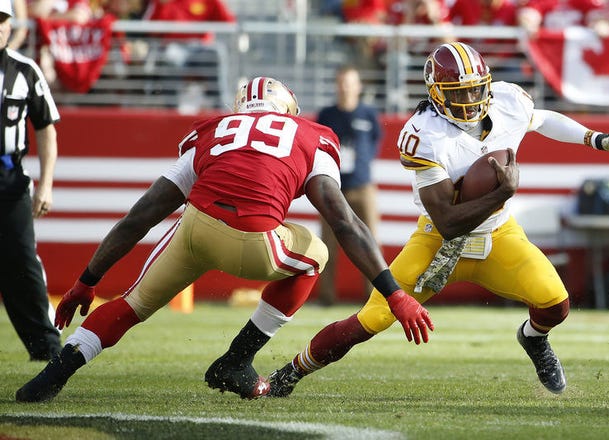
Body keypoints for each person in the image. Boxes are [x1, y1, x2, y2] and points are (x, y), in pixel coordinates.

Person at [15, 76, 434, 403]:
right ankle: (237, 360)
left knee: (131, 304)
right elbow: (345, 222)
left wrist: (86, 280)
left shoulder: (213, 132)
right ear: (288, 109)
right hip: (255, 239)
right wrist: (394, 294)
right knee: (316, 252)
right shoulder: (310, 135)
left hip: (194, 230)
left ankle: (51, 377)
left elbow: (140, 216)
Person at [267, 41, 609, 398]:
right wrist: (501, 192)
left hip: (499, 234)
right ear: (435, 93)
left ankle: (533, 338)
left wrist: (594, 139)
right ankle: (292, 372)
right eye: (458, 92)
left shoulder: (507, 101)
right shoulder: (423, 134)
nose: (469, 100)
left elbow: (542, 118)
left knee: (555, 304)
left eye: (475, 89)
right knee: (372, 319)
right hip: (438, 241)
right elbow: (448, 220)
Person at [0, 0, 61, 361]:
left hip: (9, 179)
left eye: (3, 20)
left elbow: (46, 129)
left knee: (21, 262)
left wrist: (46, 182)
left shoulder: (25, 70)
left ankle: (47, 349)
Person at [316, 66, 383, 306]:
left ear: (358, 87)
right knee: (326, 246)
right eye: (342, 82)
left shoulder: (368, 114)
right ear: (337, 85)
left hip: (362, 187)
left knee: (370, 244)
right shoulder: (327, 115)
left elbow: (376, 140)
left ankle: (375, 297)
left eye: (350, 82)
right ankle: (326, 297)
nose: (345, 87)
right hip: (333, 189)